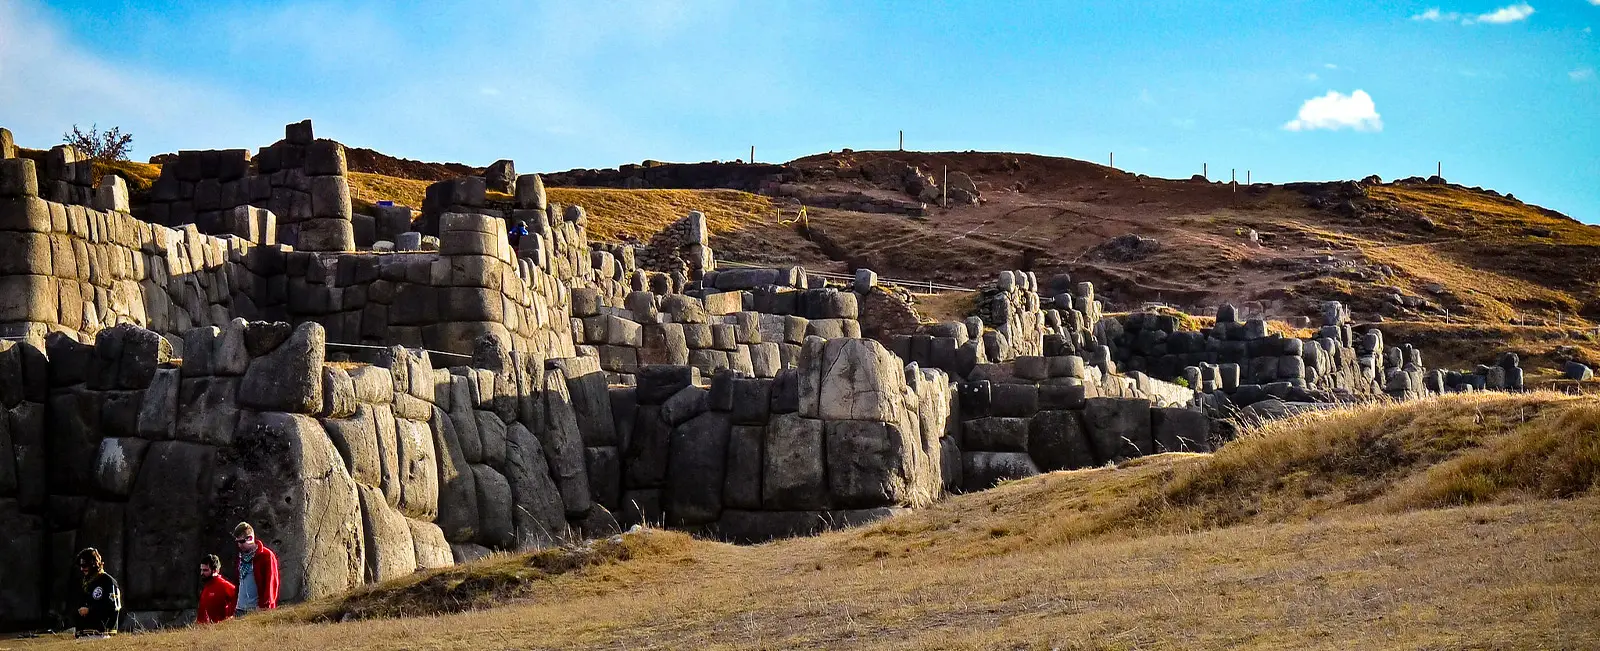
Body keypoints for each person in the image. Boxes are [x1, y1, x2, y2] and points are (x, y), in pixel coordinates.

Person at [233, 522, 279, 616]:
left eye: (242, 541)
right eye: (237, 542)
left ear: (250, 538)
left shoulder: (266, 556)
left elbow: (271, 583)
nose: (239, 545)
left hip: (257, 609)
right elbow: (239, 583)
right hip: (240, 608)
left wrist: (265, 606)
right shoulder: (241, 557)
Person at [73, 548, 121, 638]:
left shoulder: (107, 581)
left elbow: (113, 607)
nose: (82, 569)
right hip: (85, 634)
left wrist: (90, 610)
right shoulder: (86, 583)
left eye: (84, 565)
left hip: (103, 634)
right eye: (80, 566)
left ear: (94, 564)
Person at [197, 554, 237, 624]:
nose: (202, 573)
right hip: (206, 631)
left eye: (205, 570)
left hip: (222, 629)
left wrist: (229, 618)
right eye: (201, 570)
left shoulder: (224, 585)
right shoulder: (207, 587)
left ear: (215, 570)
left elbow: (239, 599)